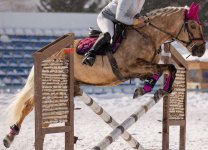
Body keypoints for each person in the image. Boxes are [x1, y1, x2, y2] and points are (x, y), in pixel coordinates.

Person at [82, 0, 146, 66]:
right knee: (109, 33)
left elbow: (134, 13)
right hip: (107, 17)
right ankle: (90, 54)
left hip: (120, 21)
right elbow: (119, 17)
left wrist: (142, 18)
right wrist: (136, 22)